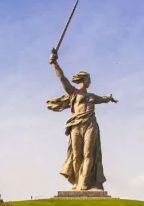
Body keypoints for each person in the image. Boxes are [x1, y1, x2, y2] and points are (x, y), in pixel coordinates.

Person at [47, 49, 118, 191]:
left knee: (88, 153)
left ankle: (84, 182)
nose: (90, 82)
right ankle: (77, 181)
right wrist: (54, 63)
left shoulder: (92, 96)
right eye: (89, 80)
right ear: (83, 80)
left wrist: (109, 98)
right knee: (76, 156)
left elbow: (103, 99)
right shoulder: (73, 92)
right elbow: (62, 78)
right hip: (76, 125)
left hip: (90, 125)